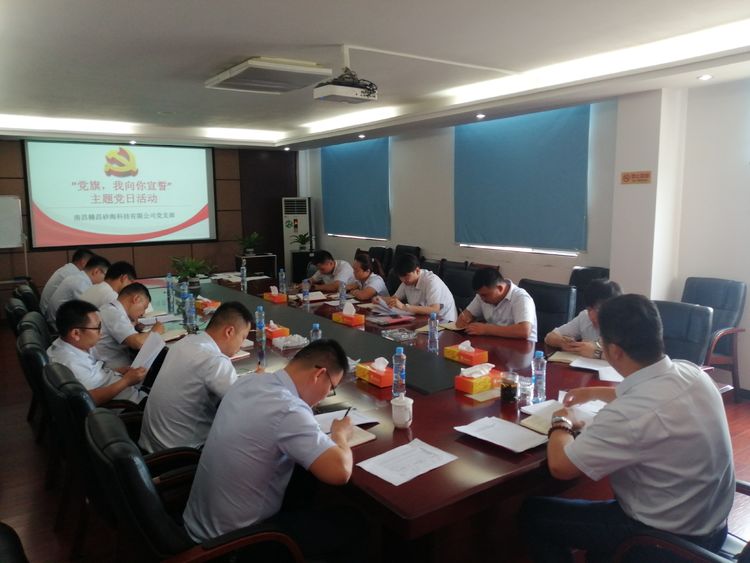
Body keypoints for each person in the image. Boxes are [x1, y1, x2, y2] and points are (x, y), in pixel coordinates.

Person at [520, 294, 735, 562]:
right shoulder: (691, 373)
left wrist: (561, 421)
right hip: (711, 525)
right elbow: (651, 396)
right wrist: (595, 392)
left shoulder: (630, 414)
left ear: (614, 351)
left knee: (533, 513)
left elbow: (561, 467)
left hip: (663, 540)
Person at [183, 339, 358, 562]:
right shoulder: (288, 409)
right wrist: (340, 434)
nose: (325, 396)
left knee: (304, 481)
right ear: (319, 374)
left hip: (199, 526)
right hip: (233, 545)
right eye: (331, 388)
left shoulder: (250, 381)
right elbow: (340, 471)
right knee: (353, 522)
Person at [138, 302, 252, 452]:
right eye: (243, 337)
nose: (242, 344)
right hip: (179, 455)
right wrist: (259, 382)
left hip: (150, 445)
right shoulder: (215, 361)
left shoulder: (185, 342)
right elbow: (246, 406)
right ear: (229, 331)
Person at [47, 299, 147, 405]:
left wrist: (119, 371)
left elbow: (92, 375)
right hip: (127, 404)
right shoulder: (69, 362)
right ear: (76, 333)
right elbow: (89, 399)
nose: (101, 332)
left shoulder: (70, 346)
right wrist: (126, 381)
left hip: (125, 388)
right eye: (97, 328)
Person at [92, 282, 164, 370]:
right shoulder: (113, 313)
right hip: (114, 371)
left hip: (116, 365)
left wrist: (134, 327)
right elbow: (137, 343)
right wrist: (155, 330)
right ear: (136, 299)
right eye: (144, 307)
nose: (143, 313)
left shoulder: (110, 309)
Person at [544, 279, 622, 358]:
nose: (592, 316)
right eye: (589, 309)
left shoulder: (624, 323)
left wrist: (596, 353)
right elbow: (549, 337)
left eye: (598, 310)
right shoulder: (584, 317)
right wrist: (562, 343)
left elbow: (627, 359)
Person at [455, 268, 537, 340]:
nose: (482, 299)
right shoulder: (482, 295)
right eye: (480, 295)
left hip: (523, 347)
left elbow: (524, 331)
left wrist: (486, 329)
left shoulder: (521, 297)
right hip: (496, 343)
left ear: (500, 288)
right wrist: (465, 319)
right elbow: (466, 315)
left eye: (484, 295)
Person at [385, 253, 457, 321]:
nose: (403, 280)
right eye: (400, 277)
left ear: (417, 270)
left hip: (444, 322)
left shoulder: (431, 281)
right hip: (423, 319)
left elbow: (435, 310)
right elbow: (394, 299)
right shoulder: (407, 282)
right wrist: (380, 299)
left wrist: (404, 307)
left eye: (406, 276)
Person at [46, 255, 111, 325]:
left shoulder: (79, 278)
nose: (105, 280)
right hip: (58, 325)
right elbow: (91, 308)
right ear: (96, 271)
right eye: (105, 276)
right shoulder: (80, 283)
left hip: (60, 319)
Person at [39, 247, 94, 316]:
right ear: (83, 262)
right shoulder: (73, 274)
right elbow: (87, 301)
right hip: (50, 315)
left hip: (48, 311)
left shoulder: (68, 269)